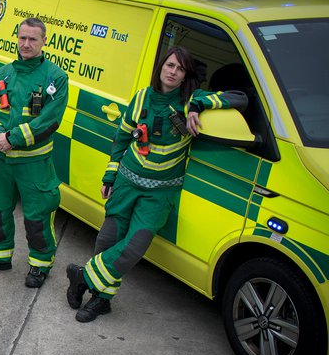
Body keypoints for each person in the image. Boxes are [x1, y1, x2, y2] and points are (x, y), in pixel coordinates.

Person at [66, 46, 248, 322]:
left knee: (133, 247)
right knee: (108, 240)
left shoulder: (191, 100)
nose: (173, 72)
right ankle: (101, 300)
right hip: (127, 181)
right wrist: (110, 176)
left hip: (160, 193)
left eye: (180, 68)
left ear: (186, 75)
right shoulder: (142, 97)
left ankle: (83, 276)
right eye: (170, 65)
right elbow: (122, 139)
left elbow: (241, 98)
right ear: (161, 68)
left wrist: (199, 105)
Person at [0, 17, 68, 289]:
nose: (26, 44)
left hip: (34, 164)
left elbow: (49, 121)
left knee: (37, 217)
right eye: (22, 38)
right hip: (1, 162)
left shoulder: (56, 78)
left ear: (44, 41)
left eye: (33, 39)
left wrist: (12, 139)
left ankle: (40, 265)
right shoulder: (4, 73)